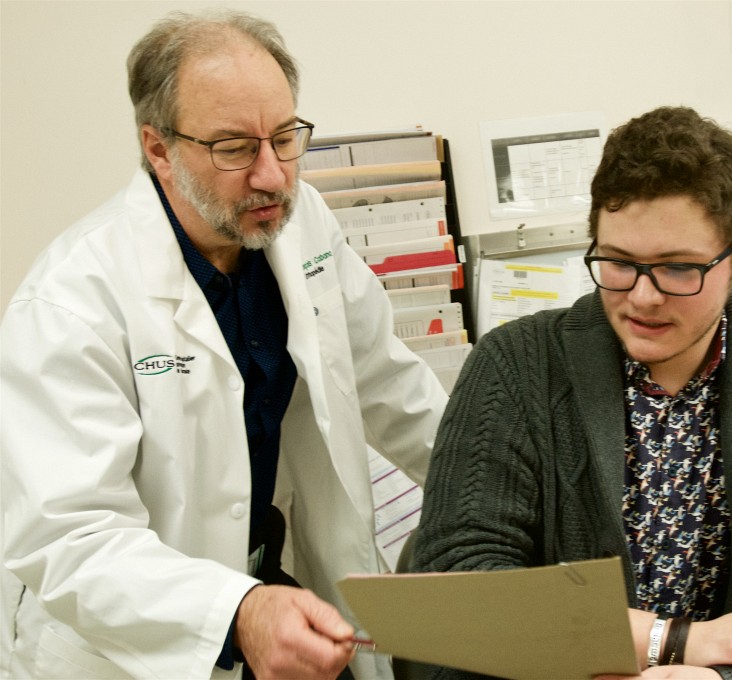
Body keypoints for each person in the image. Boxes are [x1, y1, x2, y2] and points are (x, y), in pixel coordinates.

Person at [0, 9, 448, 680]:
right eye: (235, 149)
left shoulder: (302, 229)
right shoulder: (73, 300)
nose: (273, 176)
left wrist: (502, 492)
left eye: (285, 138)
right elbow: (71, 540)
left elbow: (390, 385)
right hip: (121, 651)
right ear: (158, 148)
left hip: (282, 588)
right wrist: (236, 610)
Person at [409, 106, 732, 680]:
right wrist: (676, 643)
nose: (642, 298)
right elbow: (460, 583)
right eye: (618, 262)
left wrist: (730, 676)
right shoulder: (515, 365)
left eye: (677, 269)